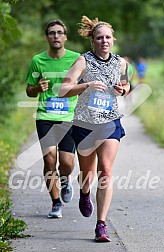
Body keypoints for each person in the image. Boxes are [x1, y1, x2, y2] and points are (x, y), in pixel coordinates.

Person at [58, 16, 130, 242]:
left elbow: (127, 84)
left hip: (110, 122)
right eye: (100, 38)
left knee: (106, 171)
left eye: (108, 37)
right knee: (87, 174)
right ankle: (84, 191)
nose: (104, 41)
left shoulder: (121, 63)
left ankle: (101, 225)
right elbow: (63, 89)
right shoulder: (83, 61)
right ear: (93, 41)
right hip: (85, 124)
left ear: (113, 40)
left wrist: (123, 90)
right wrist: (86, 85)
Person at [26, 20, 80, 218]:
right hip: (45, 117)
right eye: (51, 33)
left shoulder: (76, 59)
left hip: (69, 117)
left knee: (66, 163)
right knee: (50, 161)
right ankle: (56, 203)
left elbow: (84, 85)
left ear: (65, 37)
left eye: (59, 33)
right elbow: (29, 90)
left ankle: (65, 179)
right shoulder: (37, 61)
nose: (55, 36)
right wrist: (37, 88)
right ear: (47, 37)